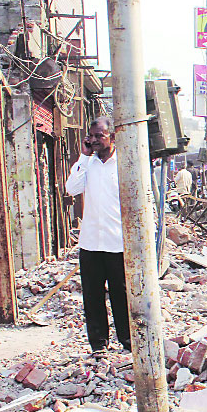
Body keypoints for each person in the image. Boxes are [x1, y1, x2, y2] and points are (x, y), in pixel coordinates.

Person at [65, 117, 131, 356]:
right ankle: (99, 345)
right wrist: (83, 157)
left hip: (117, 242)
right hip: (91, 242)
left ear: (112, 137)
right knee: (92, 296)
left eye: (98, 136)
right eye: (90, 136)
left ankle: (126, 340)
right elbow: (71, 189)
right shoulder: (87, 164)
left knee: (121, 295)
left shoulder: (123, 164)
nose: (93, 141)